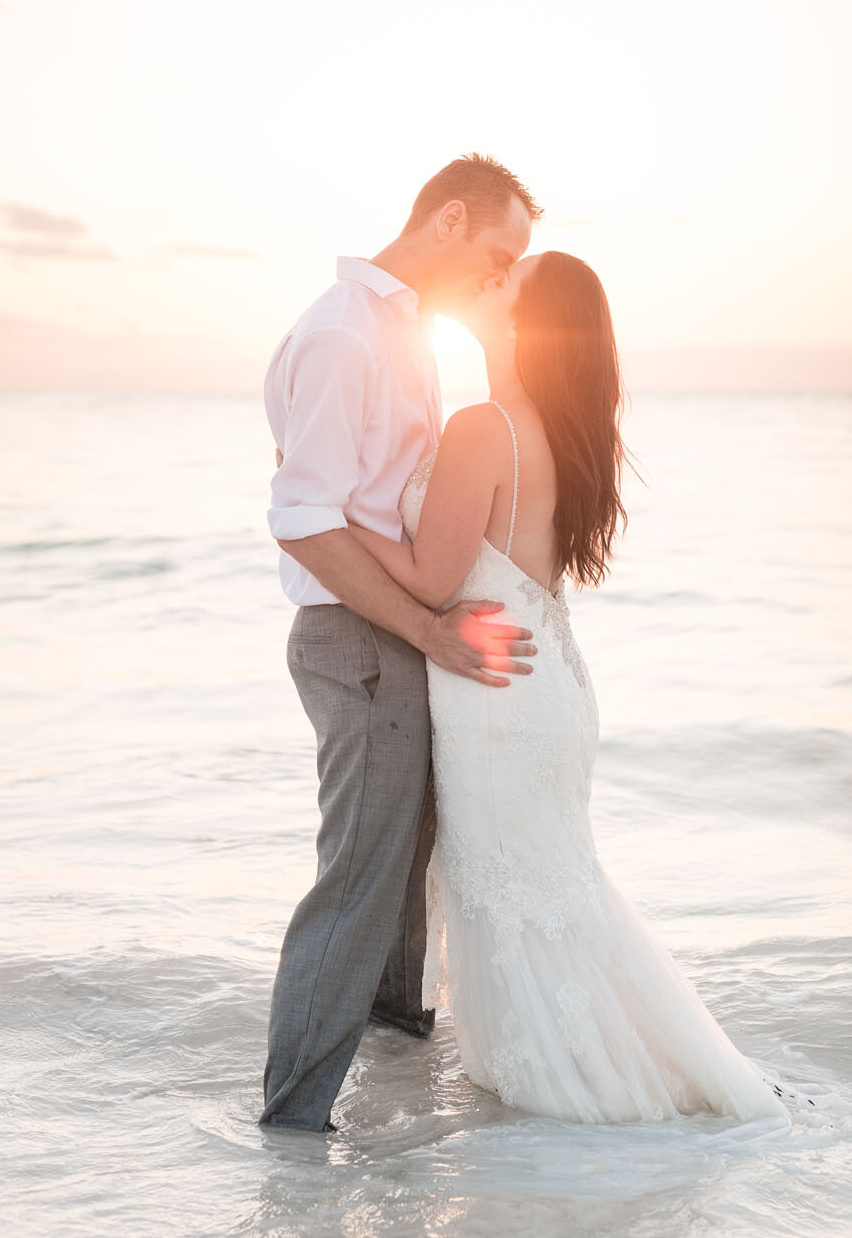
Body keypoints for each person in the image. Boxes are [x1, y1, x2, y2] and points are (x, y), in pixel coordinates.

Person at [345, 248, 795, 1124]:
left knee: (521, 889)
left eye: (506, 279)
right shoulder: (547, 428)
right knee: (547, 888)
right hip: (540, 689)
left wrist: (327, 517)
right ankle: (583, 1080)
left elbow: (433, 581)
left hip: (498, 697)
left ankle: (573, 1094)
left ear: (523, 322)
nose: (488, 277)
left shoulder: (486, 427)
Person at [259, 153, 544, 1132]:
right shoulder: (345, 336)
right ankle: (292, 1126)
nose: (501, 279)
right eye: (499, 254)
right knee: (360, 877)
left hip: (388, 633)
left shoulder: (400, 332)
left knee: (403, 861)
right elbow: (301, 515)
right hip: (360, 636)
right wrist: (425, 626)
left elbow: (370, 496)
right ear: (451, 221)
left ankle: (391, 1054)